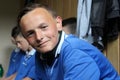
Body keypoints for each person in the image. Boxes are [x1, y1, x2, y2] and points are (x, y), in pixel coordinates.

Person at [17, 3, 120, 80]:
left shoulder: (75, 52)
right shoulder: (41, 54)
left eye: (44, 27)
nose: (39, 37)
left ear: (58, 23)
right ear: (26, 39)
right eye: (30, 33)